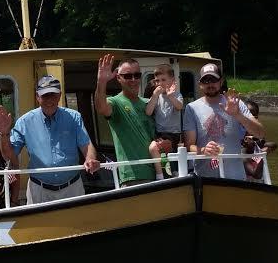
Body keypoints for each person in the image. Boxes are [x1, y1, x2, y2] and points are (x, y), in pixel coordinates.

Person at [10, 75, 100, 204]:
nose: (49, 99)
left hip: (72, 187)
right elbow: (11, 153)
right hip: (38, 189)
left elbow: (86, 144)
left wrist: (90, 158)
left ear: (60, 95)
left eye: (53, 95)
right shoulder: (24, 121)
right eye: (45, 95)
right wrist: (4, 134)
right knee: (40, 225)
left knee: (77, 224)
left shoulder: (74, 117)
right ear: (37, 97)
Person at [182, 63, 265, 180]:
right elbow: (189, 145)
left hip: (235, 178)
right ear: (200, 84)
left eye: (214, 79)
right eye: (206, 80)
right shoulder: (191, 108)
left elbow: (260, 133)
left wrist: (237, 115)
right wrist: (203, 150)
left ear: (221, 82)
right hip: (204, 179)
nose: (210, 84)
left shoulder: (236, 103)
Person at [94, 54, 155, 186]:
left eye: (137, 75)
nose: (133, 79)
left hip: (159, 172)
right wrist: (101, 81)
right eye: (128, 76)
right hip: (133, 177)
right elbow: (101, 107)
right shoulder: (115, 102)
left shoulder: (148, 104)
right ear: (118, 78)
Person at [145, 64, 184, 180]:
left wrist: (171, 96)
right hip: (159, 132)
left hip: (173, 133)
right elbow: (148, 112)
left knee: (154, 148)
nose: (159, 83)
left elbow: (179, 106)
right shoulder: (156, 97)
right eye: (157, 81)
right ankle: (165, 173)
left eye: (163, 80)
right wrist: (154, 95)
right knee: (160, 153)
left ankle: (160, 176)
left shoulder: (177, 94)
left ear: (172, 80)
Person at [242, 99, 277, 181]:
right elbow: (256, 174)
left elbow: (272, 145)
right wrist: (261, 155)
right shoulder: (239, 142)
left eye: (254, 117)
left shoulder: (257, 137)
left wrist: (264, 149)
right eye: (247, 116)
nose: (251, 120)